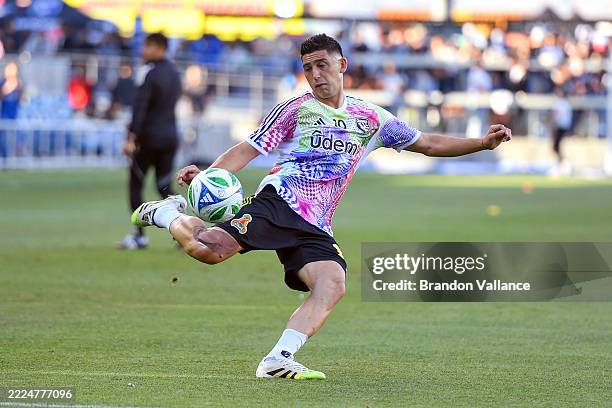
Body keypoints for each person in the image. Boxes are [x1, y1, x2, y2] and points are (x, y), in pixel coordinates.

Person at [130, 34, 512, 379]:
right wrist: (207, 179)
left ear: (341, 65)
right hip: (280, 201)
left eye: (322, 65)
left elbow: (427, 143)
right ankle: (167, 212)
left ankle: (277, 359)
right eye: (308, 68)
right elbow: (248, 149)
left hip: (317, 224)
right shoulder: (295, 110)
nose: (315, 75)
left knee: (332, 283)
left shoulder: (372, 118)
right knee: (209, 249)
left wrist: (481, 142)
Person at [117, 33, 182, 250]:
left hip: (148, 138)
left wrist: (131, 138)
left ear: (158, 48)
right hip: (170, 136)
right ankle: (187, 233)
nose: (143, 50)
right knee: (164, 186)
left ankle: (139, 236)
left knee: (136, 183)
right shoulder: (174, 73)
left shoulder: (148, 71)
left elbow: (140, 107)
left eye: (147, 46)